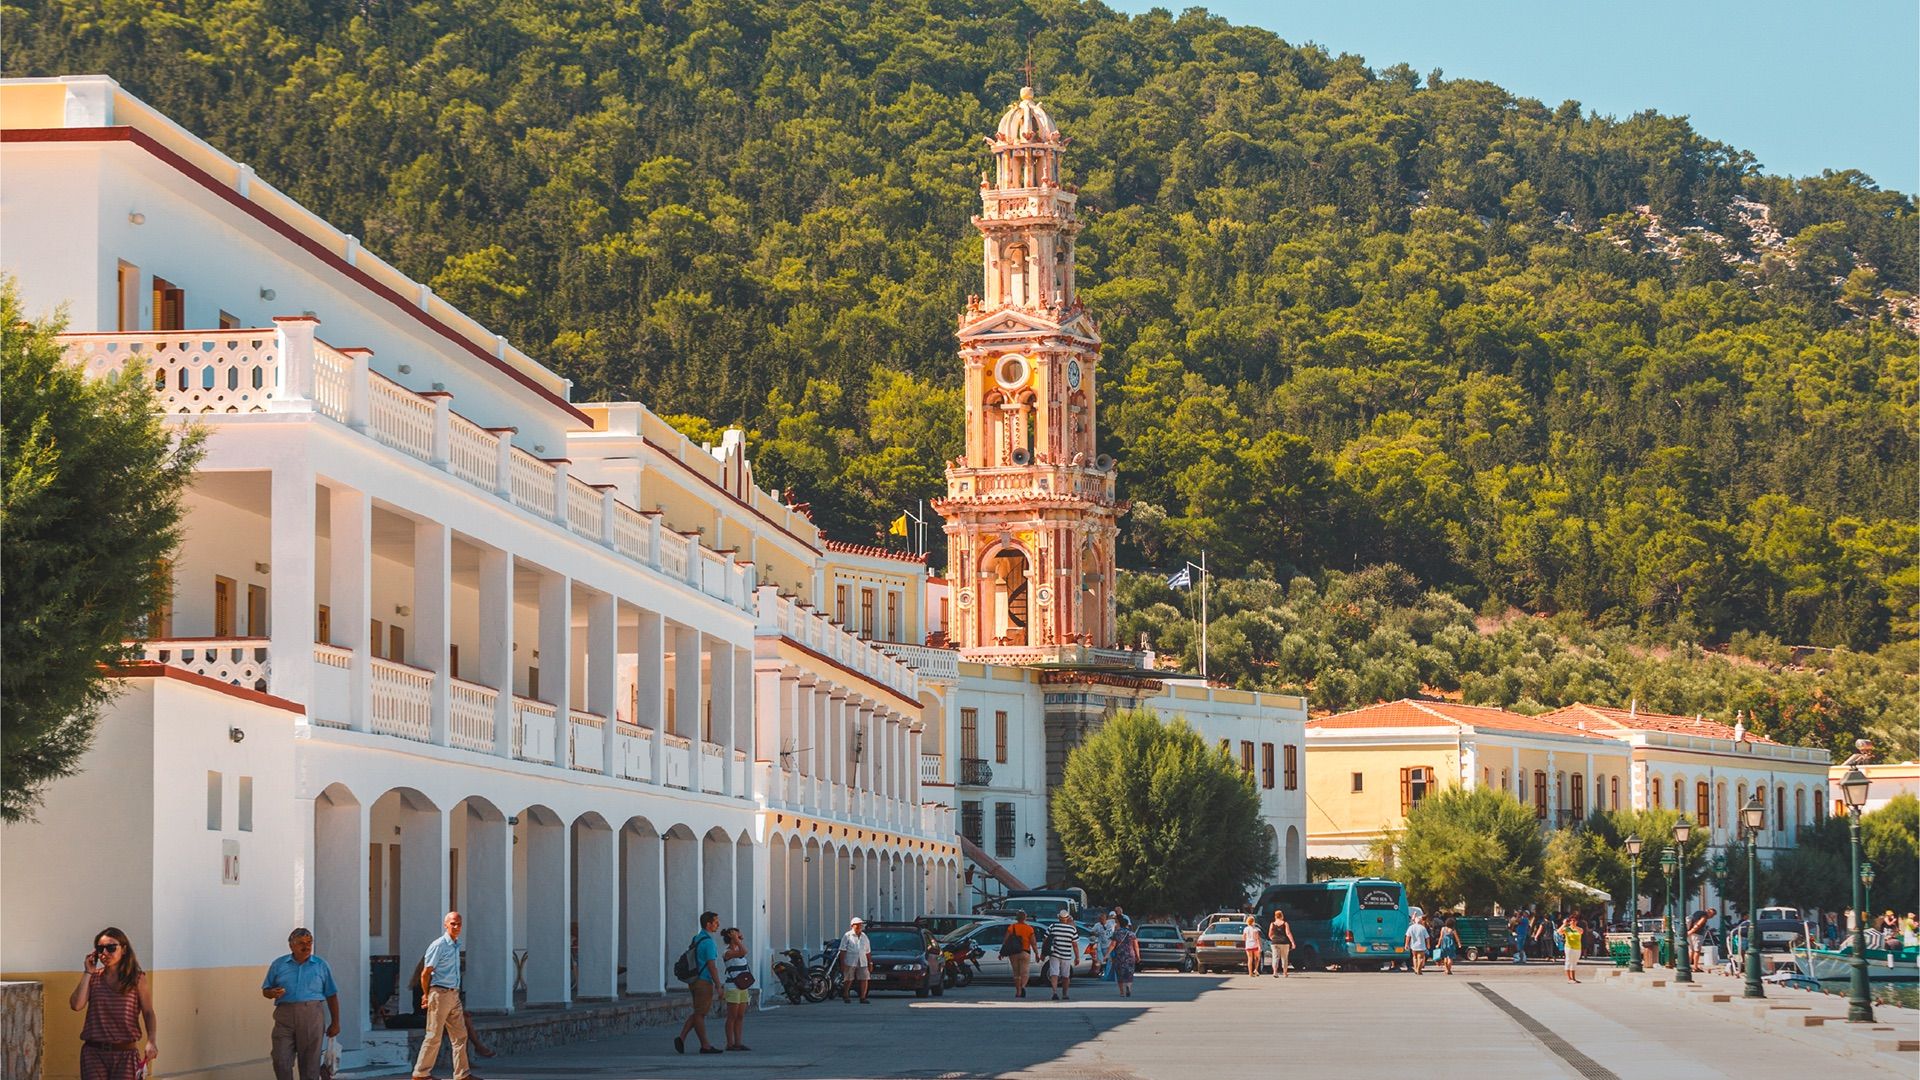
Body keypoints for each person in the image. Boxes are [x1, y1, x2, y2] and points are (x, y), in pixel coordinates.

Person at [70, 926, 158, 1080]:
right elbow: (76, 1005)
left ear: (123, 949)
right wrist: (88, 972)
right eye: (100, 949)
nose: (105, 953)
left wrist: (151, 1041)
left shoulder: (136, 979)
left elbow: (148, 1012)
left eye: (111, 948)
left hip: (125, 1052)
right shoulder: (93, 977)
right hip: (94, 1052)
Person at [261, 927, 340, 1080]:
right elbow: (266, 990)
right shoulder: (279, 964)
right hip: (285, 1016)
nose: (306, 946)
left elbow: (331, 995)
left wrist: (335, 1023)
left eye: (309, 942)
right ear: (291, 946)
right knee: (280, 1060)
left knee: (310, 1064)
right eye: (301, 943)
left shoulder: (320, 965)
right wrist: (272, 993)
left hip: (311, 1015)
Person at [409, 911, 473, 1080]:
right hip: (440, 993)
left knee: (460, 1035)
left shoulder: (455, 945)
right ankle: (421, 1073)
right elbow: (426, 972)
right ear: (446, 925)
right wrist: (426, 994)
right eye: (453, 924)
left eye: (459, 924)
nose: (456, 927)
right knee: (434, 1035)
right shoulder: (439, 945)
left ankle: (462, 1074)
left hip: (453, 994)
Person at [673, 910, 724, 1055]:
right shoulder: (709, 942)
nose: (718, 924)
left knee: (698, 1012)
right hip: (704, 981)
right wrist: (718, 985)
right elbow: (711, 966)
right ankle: (705, 1045)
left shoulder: (697, 938)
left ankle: (681, 1038)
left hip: (694, 980)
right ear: (708, 924)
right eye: (715, 922)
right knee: (700, 1014)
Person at [721, 927, 751, 1051]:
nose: (741, 936)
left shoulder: (739, 949)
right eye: (738, 934)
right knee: (732, 1016)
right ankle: (730, 1043)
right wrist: (736, 939)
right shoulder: (727, 953)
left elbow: (742, 951)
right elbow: (744, 951)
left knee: (740, 1016)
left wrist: (737, 939)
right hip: (733, 987)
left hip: (743, 987)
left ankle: (738, 1042)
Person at [1044, 909, 1080, 1001]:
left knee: (1054, 973)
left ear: (1058, 918)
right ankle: (1065, 994)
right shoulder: (1072, 929)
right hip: (1066, 955)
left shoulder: (1053, 926)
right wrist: (1077, 957)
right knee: (1065, 976)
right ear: (1067, 918)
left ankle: (1054, 992)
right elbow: (1075, 945)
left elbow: (1046, 940)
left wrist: (1043, 953)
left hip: (1054, 954)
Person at [1001, 911, 1037, 999]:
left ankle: (1018, 991)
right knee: (1025, 971)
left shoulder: (1011, 927)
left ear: (1017, 918)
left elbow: (1005, 940)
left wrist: (1001, 952)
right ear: (1025, 918)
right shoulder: (1029, 928)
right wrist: (1037, 953)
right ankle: (1023, 986)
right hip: (1025, 952)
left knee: (1016, 973)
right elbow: (1033, 943)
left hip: (1013, 952)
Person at [840, 916, 872, 1004]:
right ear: (852, 926)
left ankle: (863, 997)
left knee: (864, 978)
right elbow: (842, 950)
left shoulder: (864, 936)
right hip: (850, 961)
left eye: (860, 925)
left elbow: (868, 951)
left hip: (862, 961)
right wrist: (842, 963)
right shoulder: (847, 935)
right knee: (848, 979)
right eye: (857, 925)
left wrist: (870, 963)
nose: (859, 927)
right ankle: (846, 994)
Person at [1109, 916, 1139, 998]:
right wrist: (1138, 956)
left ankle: (1122, 992)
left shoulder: (1116, 933)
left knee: (1120, 974)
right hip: (1130, 956)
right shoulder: (1132, 934)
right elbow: (1136, 946)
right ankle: (1128, 987)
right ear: (1127, 925)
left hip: (1119, 956)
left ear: (1120, 924)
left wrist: (1106, 954)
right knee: (1129, 973)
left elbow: (1112, 945)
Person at [1268, 910, 1295, 977]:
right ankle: (1285, 973)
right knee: (1284, 958)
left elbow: (1270, 934)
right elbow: (1288, 933)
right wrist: (1292, 942)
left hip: (1275, 942)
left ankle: (1275, 972)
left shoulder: (1272, 924)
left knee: (1275, 957)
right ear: (1282, 916)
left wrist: (1273, 939)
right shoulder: (1285, 923)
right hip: (1284, 942)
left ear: (1275, 916)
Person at [1561, 914, 1585, 983]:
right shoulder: (1567, 929)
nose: (1573, 922)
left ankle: (1573, 978)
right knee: (1568, 961)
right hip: (1569, 947)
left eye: (1574, 920)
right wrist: (1564, 924)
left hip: (1577, 948)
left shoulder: (1579, 929)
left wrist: (1574, 927)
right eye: (1571, 920)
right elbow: (1559, 932)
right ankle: (1569, 979)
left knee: (1574, 962)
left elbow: (1581, 932)